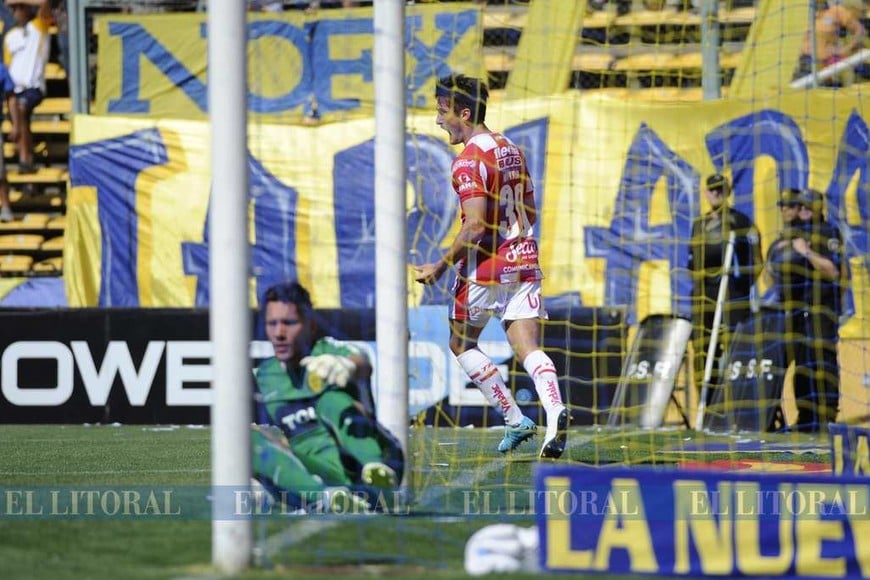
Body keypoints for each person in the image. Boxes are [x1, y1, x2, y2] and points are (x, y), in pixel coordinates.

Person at [413, 73, 568, 459]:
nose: (438, 120)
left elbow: (476, 226)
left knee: (461, 343)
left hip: (483, 269)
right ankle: (554, 411)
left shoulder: (468, 161)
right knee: (528, 348)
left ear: (464, 113)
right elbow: (530, 209)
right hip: (524, 260)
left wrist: (440, 266)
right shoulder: (511, 148)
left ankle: (515, 419)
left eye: (443, 112)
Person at [251, 281, 405, 512]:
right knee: (246, 440)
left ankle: (378, 476)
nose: (279, 333)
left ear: (311, 325)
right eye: (272, 324)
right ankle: (328, 499)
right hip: (323, 473)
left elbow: (362, 363)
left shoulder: (329, 353)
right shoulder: (265, 375)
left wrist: (347, 366)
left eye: (289, 323)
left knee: (330, 401)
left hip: (370, 459)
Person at [762, 188, 843, 432]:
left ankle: (827, 418)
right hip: (797, 313)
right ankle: (805, 418)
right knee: (802, 366)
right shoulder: (792, 236)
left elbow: (833, 271)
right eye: (801, 206)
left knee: (824, 364)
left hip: (822, 311)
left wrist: (805, 251)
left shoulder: (828, 233)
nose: (803, 210)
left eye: (808, 206)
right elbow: (770, 276)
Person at [688, 173, 761, 405]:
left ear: (728, 192)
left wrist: (741, 286)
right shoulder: (698, 225)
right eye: (712, 190)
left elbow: (756, 261)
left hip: (732, 295)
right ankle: (707, 404)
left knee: (735, 347)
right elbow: (691, 263)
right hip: (704, 297)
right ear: (706, 193)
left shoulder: (740, 222)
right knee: (702, 350)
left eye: (721, 190)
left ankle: (738, 403)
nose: (716, 194)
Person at [3, 0, 51, 174]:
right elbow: (8, 67)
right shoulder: (10, 36)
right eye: (14, 9)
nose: (17, 11)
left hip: (32, 87)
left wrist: (19, 1)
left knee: (21, 107)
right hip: (14, 90)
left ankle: (25, 158)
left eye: (20, 8)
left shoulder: (38, 27)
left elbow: (44, 3)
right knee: (16, 109)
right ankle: (25, 156)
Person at [793, 0, 867, 86]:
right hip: (805, 64)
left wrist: (845, 49)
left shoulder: (835, 11)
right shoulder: (800, 15)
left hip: (829, 66)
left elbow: (860, 30)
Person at [0, 59, 16, 222]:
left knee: (0, 171)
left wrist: (15, 124)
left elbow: (11, 97)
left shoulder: (1, 69)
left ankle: (5, 207)